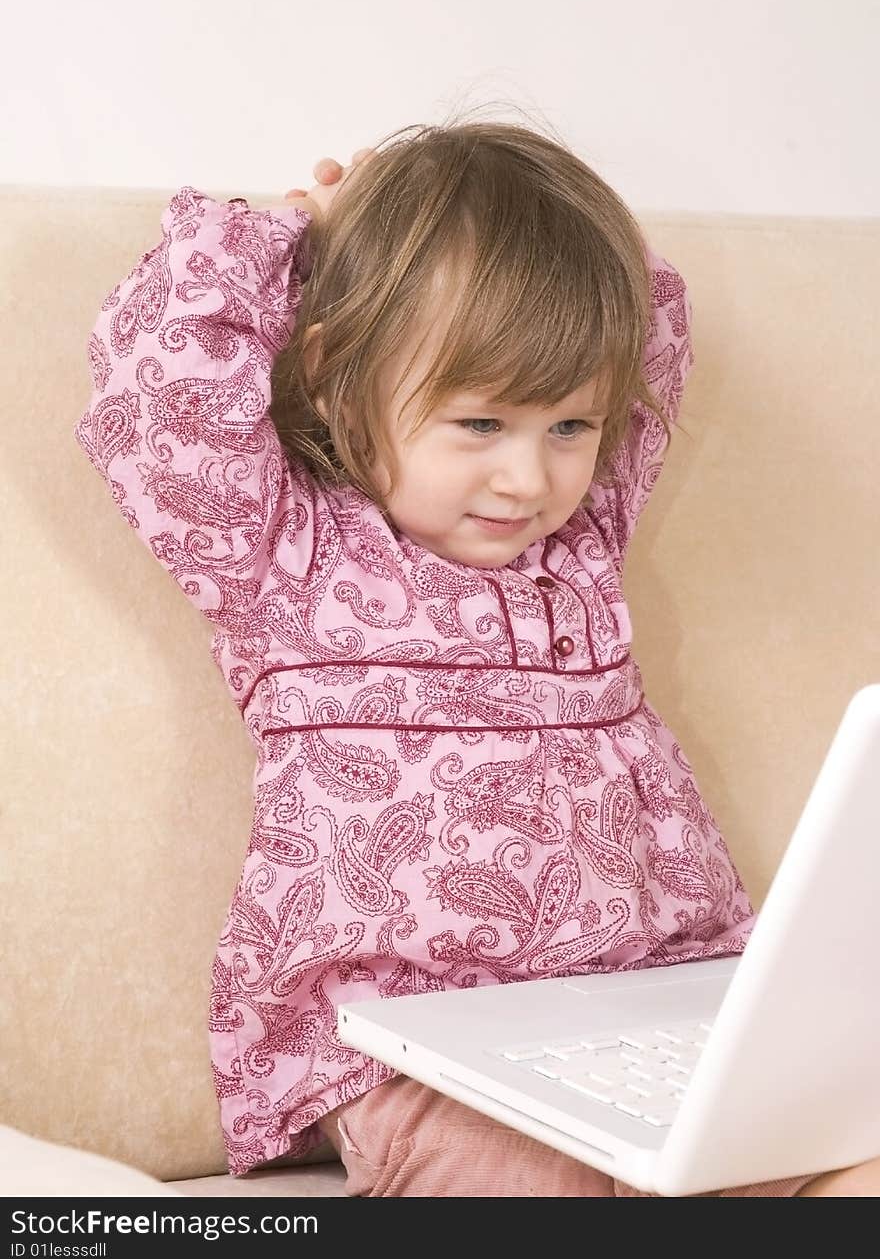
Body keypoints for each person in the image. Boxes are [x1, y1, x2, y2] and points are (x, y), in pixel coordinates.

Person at [74, 121, 879, 1196]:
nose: (526, 479)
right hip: (408, 1052)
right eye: (481, 421)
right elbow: (158, 403)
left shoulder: (581, 547)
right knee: (547, 1191)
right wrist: (286, 235)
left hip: (650, 1010)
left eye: (568, 426)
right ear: (336, 382)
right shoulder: (284, 554)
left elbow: (654, 316)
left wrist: (518, 240)